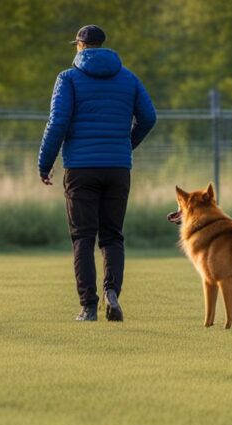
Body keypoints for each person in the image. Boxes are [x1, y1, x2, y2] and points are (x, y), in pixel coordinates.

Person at [38, 24, 157, 322]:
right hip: (118, 168)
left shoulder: (68, 79)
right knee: (112, 237)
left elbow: (57, 123)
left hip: (80, 169)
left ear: (79, 46)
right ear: (103, 45)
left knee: (83, 238)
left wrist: (45, 162)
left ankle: (88, 306)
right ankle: (112, 292)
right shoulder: (128, 78)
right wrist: (126, 145)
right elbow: (149, 117)